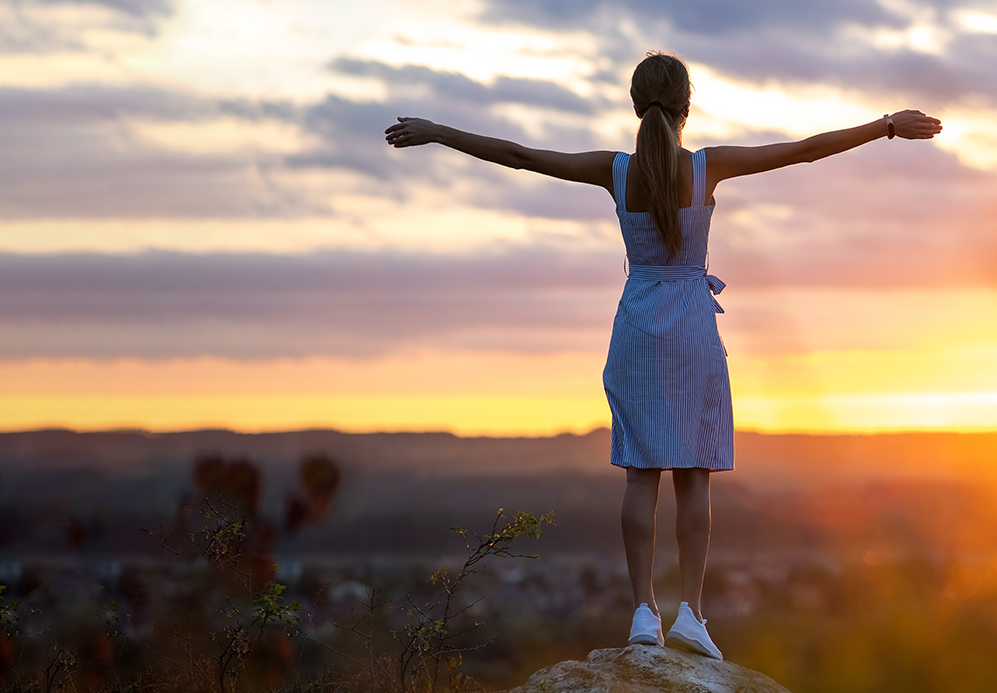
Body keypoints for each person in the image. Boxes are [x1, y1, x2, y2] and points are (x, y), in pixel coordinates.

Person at [383, 51, 942, 659]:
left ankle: (643, 612)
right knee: (694, 472)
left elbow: (521, 155)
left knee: (640, 471)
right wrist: (885, 125)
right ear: (686, 107)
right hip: (692, 324)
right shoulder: (707, 168)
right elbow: (803, 148)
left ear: (634, 104)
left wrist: (438, 133)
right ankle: (692, 614)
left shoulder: (614, 171)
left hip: (638, 320)